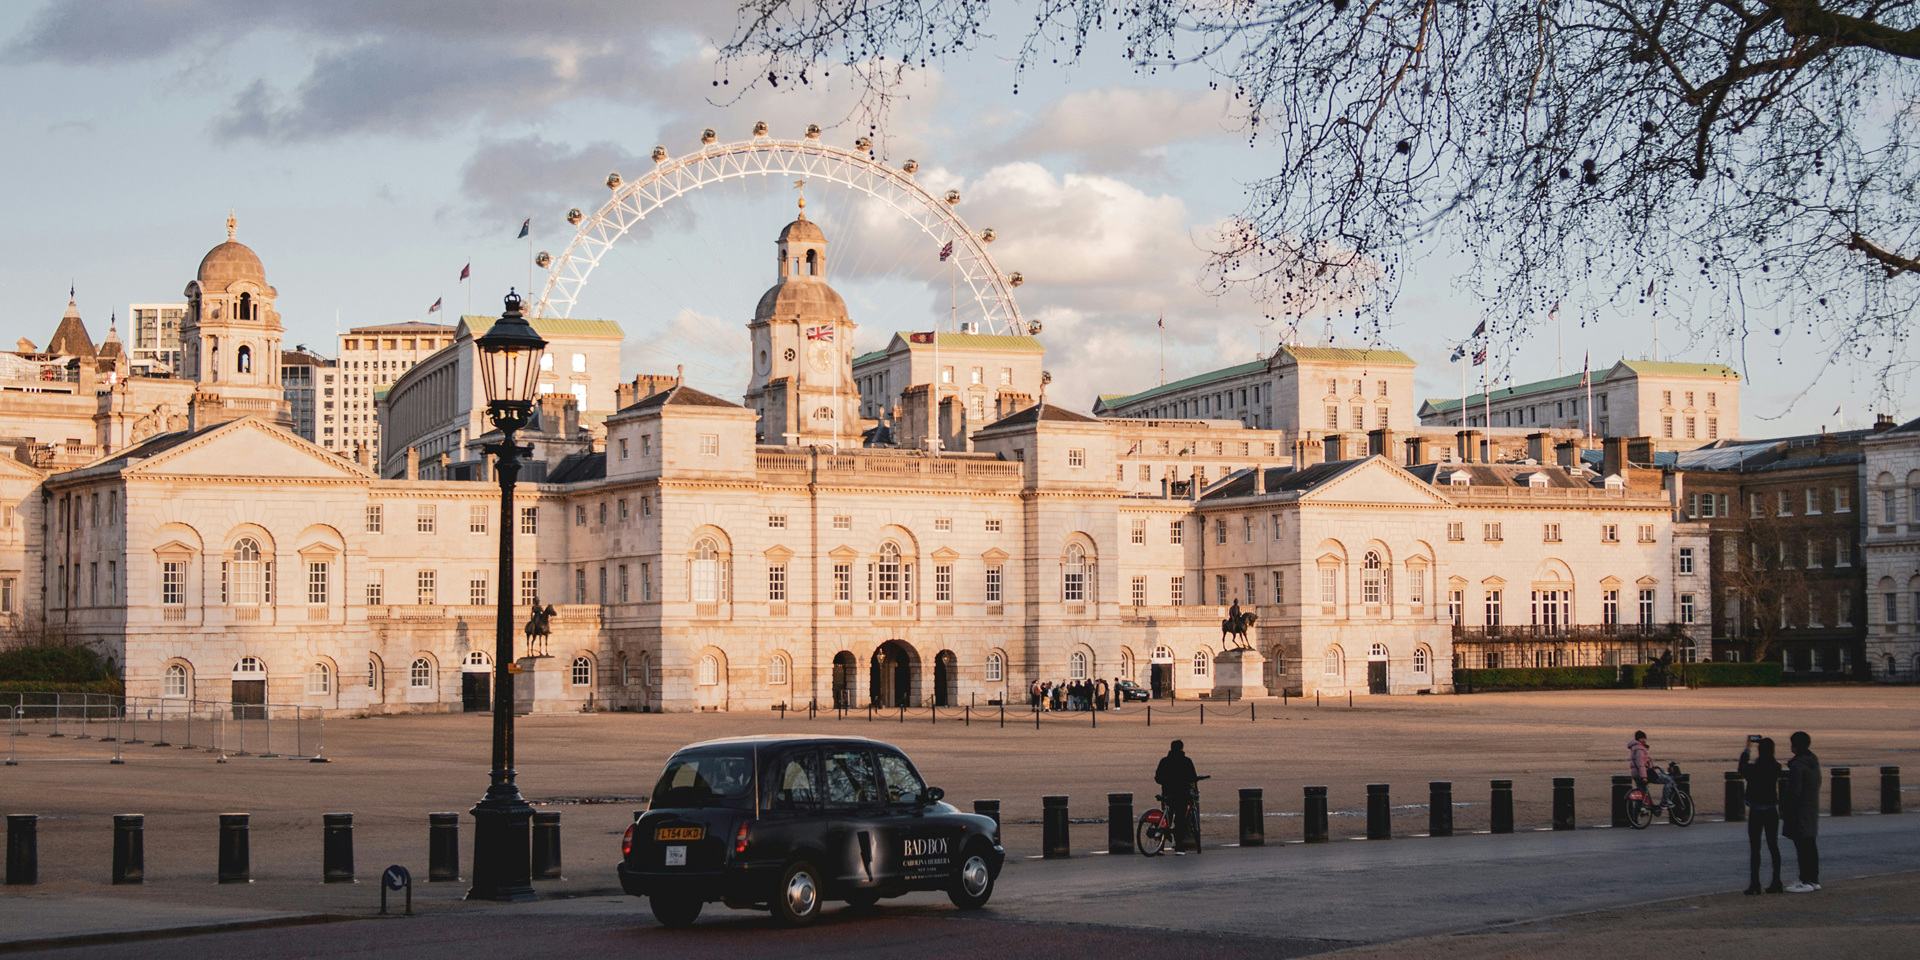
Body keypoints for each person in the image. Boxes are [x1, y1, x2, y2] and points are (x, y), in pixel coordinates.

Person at [1738, 736, 1784, 894]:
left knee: (1755, 847)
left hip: (1756, 810)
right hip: (1771, 810)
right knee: (1773, 846)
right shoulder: (1776, 766)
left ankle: (1755, 883)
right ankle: (1776, 880)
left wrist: (1747, 749)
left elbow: (1742, 768)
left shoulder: (1755, 769)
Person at [1782, 731, 1821, 893]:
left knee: (1802, 846)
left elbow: (1794, 792)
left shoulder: (1798, 765)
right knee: (1810, 845)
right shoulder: (1813, 760)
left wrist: (1785, 807)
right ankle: (1813, 879)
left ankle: (1805, 880)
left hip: (1800, 811)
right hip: (1811, 808)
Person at [1154, 739, 1201, 855]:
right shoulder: (1186, 761)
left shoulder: (1164, 761)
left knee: (1166, 819)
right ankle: (1179, 847)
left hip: (1167, 794)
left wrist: (1166, 782)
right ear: (1182, 748)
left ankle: (1160, 847)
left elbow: (1158, 778)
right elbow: (1192, 777)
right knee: (1180, 820)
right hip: (1182, 795)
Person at [1628, 731, 1655, 801]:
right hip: (1642, 774)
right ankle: (1665, 802)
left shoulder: (1635, 747)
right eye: (1641, 738)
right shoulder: (1639, 749)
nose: (1643, 740)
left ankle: (1637, 811)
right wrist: (1644, 777)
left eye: (1644, 738)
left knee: (1641, 794)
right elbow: (1641, 764)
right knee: (1667, 781)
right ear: (1637, 739)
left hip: (1637, 774)